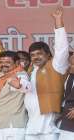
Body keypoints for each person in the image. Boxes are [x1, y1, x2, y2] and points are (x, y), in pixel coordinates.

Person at [24, 7, 69, 140]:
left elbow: (61, 48)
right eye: (32, 55)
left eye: (39, 54)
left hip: (49, 128)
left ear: (48, 54)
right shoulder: (31, 70)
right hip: (31, 127)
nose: (35, 57)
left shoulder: (56, 66)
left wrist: (58, 21)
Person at [0, 51, 30, 140]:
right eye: (1, 62)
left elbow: (26, 86)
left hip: (13, 126)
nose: (3, 65)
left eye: (8, 62)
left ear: (17, 63)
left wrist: (19, 85)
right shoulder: (1, 76)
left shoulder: (20, 74)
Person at [58, 53, 74, 140]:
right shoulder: (69, 76)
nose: (70, 66)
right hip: (66, 121)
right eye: (69, 64)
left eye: (73, 64)